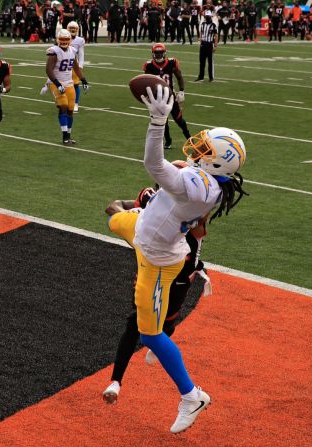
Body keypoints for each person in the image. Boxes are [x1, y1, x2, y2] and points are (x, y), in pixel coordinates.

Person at [102, 84, 248, 433]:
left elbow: (154, 164)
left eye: (207, 148)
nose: (199, 147)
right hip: (142, 230)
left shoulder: (200, 186)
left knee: (148, 334)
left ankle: (191, 395)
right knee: (113, 217)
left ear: (217, 161)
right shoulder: (207, 181)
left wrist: (157, 122)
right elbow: (181, 171)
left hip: (158, 259)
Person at [103, 165, 211, 405]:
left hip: (179, 280)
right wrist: (138, 210)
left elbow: (113, 210)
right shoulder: (153, 202)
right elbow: (114, 207)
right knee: (136, 326)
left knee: (166, 326)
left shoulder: (189, 210)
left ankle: (158, 348)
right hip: (157, 271)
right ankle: (116, 381)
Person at [45, 29, 88, 145]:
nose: (64, 42)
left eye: (66, 39)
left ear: (69, 40)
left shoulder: (73, 50)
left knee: (70, 110)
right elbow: (48, 70)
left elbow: (76, 67)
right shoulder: (54, 51)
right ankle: (64, 137)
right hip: (57, 83)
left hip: (69, 84)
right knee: (63, 106)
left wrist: (83, 79)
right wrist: (57, 84)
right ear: (58, 40)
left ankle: (68, 136)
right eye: (62, 39)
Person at [144, 43, 190, 150]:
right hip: (157, 98)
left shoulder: (171, 63)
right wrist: (147, 94)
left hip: (170, 97)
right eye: (157, 53)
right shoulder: (149, 66)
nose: (159, 55)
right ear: (153, 54)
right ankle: (168, 140)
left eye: (160, 53)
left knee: (179, 119)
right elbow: (146, 81)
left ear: (164, 53)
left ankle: (189, 138)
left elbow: (179, 77)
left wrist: (181, 91)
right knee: (163, 121)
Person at [65, 21, 85, 113]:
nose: (73, 30)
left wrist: (80, 66)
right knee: (64, 84)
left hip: (73, 64)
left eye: (74, 29)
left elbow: (81, 54)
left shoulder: (79, 40)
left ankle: (75, 103)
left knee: (75, 84)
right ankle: (66, 102)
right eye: (71, 28)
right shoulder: (63, 37)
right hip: (63, 64)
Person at [195, 10, 217, 82]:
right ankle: (201, 76)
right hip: (203, 44)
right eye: (206, 16)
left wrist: (215, 45)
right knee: (202, 61)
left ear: (211, 17)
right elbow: (201, 32)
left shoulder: (213, 25)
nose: (207, 17)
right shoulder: (203, 24)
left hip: (210, 44)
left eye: (208, 16)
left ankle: (211, 77)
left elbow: (216, 35)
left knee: (210, 62)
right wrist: (200, 41)